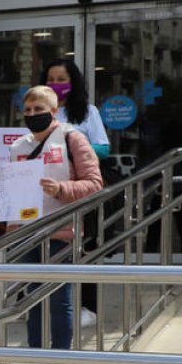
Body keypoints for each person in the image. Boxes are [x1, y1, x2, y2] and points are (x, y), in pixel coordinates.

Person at [7, 86, 103, 364]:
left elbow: (94, 183)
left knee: (60, 302)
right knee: (33, 301)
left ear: (55, 108)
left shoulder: (73, 138)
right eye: (29, 109)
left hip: (61, 232)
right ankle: (36, 358)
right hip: (27, 233)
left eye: (40, 109)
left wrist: (61, 190)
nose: (33, 114)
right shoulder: (18, 146)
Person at [38, 58, 110, 328]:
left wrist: (72, 147)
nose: (55, 85)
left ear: (73, 82)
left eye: (61, 79)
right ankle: (40, 302)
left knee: (85, 247)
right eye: (51, 79)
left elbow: (104, 148)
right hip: (48, 193)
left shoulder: (87, 112)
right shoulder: (40, 112)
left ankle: (88, 306)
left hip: (79, 191)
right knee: (48, 248)